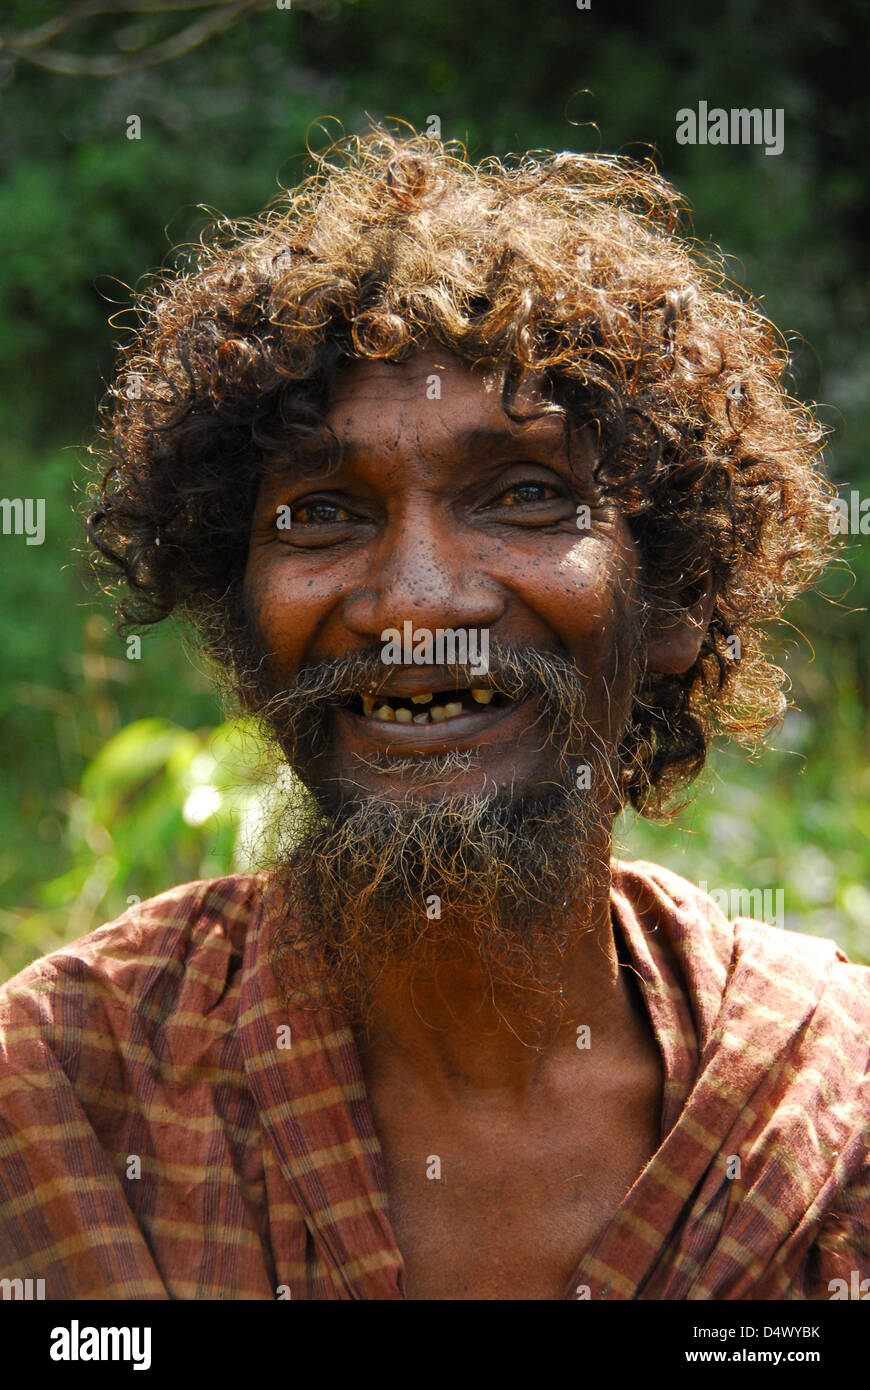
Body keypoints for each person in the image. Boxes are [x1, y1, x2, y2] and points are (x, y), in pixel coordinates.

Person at [1, 126, 866, 1301]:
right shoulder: (61, 1095)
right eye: (321, 514)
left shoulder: (833, 1103)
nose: (416, 605)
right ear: (244, 625)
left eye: (524, 494)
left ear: (674, 596)